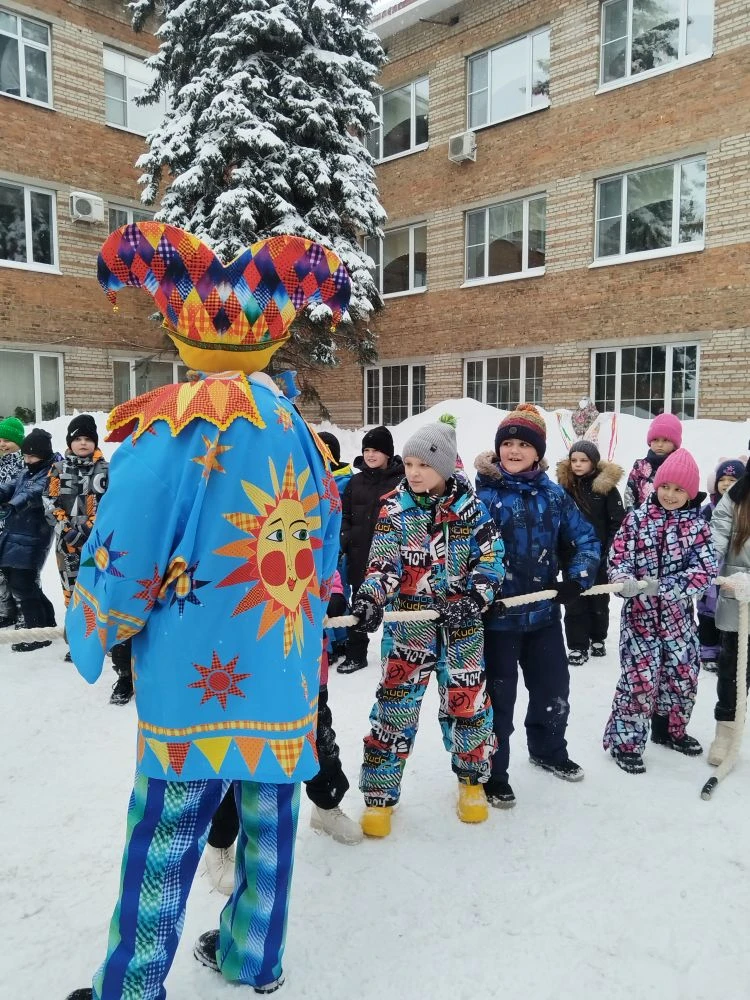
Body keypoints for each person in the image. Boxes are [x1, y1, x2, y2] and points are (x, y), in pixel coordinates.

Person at [63, 223, 347, 1000]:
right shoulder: (295, 429)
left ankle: (134, 982)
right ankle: (255, 954)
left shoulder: (170, 426)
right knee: (269, 824)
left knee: (166, 829)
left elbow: (126, 541)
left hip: (193, 675)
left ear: (178, 330)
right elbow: (325, 545)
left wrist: (95, 622)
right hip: (281, 667)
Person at [353, 420, 505, 837]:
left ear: (444, 467)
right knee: (393, 711)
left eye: (423, 465)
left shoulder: (472, 511)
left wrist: (474, 598)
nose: (414, 473)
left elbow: (492, 559)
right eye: (409, 464)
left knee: (467, 707)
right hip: (409, 631)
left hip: (462, 630)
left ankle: (471, 782)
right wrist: (370, 598)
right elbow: (382, 564)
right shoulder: (394, 509)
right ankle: (379, 796)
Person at [203, 567, 363, 894]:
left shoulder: (307, 531)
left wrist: (334, 592)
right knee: (238, 758)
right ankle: (219, 841)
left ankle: (326, 805)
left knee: (318, 744)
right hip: (245, 671)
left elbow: (321, 559)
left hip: (304, 669)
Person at [475, 404, 600, 807]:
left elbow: (586, 540)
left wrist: (577, 578)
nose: (514, 451)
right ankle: (493, 771)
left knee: (553, 690)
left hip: (544, 615)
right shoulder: (481, 496)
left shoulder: (554, 495)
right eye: (508, 443)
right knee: (498, 699)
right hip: (496, 620)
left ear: (538, 452)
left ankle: (548, 750)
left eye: (524, 445)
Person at [604, 448, 719, 774]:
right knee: (639, 683)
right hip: (639, 622)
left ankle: (669, 729)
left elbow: (704, 571)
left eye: (679, 489)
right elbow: (618, 557)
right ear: (656, 486)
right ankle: (626, 743)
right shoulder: (637, 520)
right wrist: (623, 579)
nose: (670, 494)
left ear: (691, 493)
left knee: (682, 678)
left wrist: (665, 586)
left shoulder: (698, 528)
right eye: (665, 486)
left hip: (678, 622)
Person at [42, 414, 135, 702]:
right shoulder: (58, 468)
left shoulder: (107, 469)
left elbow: (112, 504)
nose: (83, 443)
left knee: (102, 594)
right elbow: (49, 501)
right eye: (78, 438)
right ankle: (81, 641)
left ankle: (112, 651)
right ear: (70, 442)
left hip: (100, 547)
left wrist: (89, 530)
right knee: (73, 594)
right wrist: (66, 529)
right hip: (67, 546)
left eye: (88, 438)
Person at [338, 425, 404, 674]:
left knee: (397, 607)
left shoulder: (401, 482)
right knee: (360, 604)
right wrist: (346, 538)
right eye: (367, 450)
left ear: (387, 453)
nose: (370, 455)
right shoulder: (355, 482)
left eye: (376, 450)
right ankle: (356, 654)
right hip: (360, 555)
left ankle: (397, 655)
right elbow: (344, 515)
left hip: (392, 558)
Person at [556, 439, 625, 664]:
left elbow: (617, 522)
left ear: (593, 462)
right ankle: (577, 645)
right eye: (574, 460)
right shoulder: (564, 488)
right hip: (572, 555)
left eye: (583, 460)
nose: (577, 464)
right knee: (574, 602)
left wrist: (609, 550)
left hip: (599, 556)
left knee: (598, 599)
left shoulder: (606, 489)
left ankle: (597, 637)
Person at [706, 455, 750, 765]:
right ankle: (726, 733)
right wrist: (707, 567)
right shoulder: (736, 496)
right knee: (733, 671)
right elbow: (716, 536)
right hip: (738, 600)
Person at [0, 427, 56, 653]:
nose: (28, 460)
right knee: (21, 581)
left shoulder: (50, 472)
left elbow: (33, 494)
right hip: (16, 533)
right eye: (26, 456)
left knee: (23, 584)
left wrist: (12, 505)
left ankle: (36, 633)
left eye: (32, 456)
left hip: (34, 534)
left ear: (43, 455)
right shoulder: (27, 471)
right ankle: (47, 622)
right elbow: (12, 486)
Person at [697, 458, 745, 674]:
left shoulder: (744, 510)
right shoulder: (707, 510)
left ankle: (727, 650)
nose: (726, 484)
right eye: (722, 479)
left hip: (734, 570)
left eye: (732, 480)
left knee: (730, 611)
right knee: (708, 611)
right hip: (711, 570)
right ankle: (708, 649)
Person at [318, 430, 354, 664]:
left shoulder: (346, 481)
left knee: (337, 595)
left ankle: (341, 639)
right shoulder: (315, 476)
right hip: (321, 542)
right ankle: (330, 643)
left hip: (339, 545)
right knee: (324, 595)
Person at [623, 412, 681, 511]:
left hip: (672, 517)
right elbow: (629, 494)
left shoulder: (680, 468)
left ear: (675, 444)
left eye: (665, 440)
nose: (660, 444)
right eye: (656, 440)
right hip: (642, 517)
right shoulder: (640, 467)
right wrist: (632, 514)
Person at [0, 415, 25, 628]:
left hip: (19, 525)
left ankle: (23, 612)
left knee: (20, 571)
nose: (2, 444)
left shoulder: (26, 462)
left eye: (7, 440)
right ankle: (4, 610)